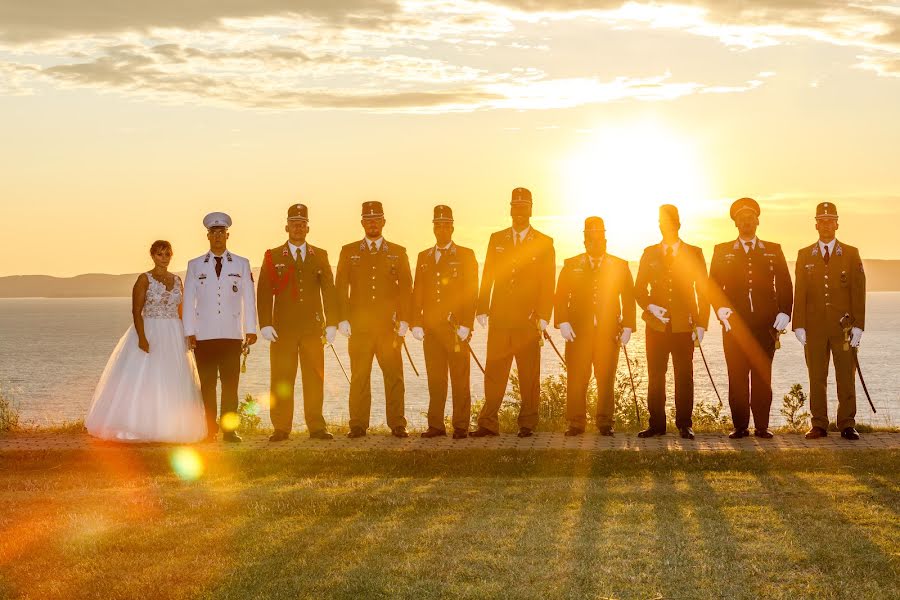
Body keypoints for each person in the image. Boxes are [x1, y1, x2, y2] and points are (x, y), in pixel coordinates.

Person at [86, 241, 207, 442]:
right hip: (151, 330)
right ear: (152, 256)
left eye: (167, 253)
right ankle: (139, 424)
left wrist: (188, 333)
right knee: (148, 377)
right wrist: (142, 337)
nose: (164, 257)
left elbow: (181, 310)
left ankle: (172, 426)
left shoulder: (177, 280)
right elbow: (136, 310)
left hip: (174, 333)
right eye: (160, 254)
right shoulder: (144, 279)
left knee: (173, 378)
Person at [471, 187, 556, 438]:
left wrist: (543, 315)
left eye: (523, 208)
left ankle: (527, 423)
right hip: (500, 317)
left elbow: (547, 282)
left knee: (529, 374)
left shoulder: (544, 242)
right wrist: (482, 307)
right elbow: (488, 275)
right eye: (515, 207)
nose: (519, 213)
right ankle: (488, 423)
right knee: (495, 371)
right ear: (510, 210)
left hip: (528, 320)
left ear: (531, 210)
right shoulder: (497, 239)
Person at [709, 198, 792, 439]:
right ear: (735, 223)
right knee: (736, 376)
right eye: (741, 219)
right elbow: (712, 285)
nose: (746, 222)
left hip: (766, 325)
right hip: (734, 323)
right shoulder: (722, 250)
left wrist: (785, 312)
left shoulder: (772, 249)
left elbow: (785, 283)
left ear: (757, 221)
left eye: (750, 218)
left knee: (762, 376)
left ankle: (763, 426)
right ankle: (740, 426)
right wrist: (720, 308)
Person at [257, 203, 338, 441]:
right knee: (282, 378)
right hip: (283, 329)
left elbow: (329, 291)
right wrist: (265, 323)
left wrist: (332, 322)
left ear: (307, 228)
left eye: (302, 224)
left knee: (314, 378)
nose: (298, 228)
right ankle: (281, 427)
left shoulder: (320, 255)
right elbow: (263, 292)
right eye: (294, 224)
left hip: (313, 328)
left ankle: (316, 426)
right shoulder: (272, 256)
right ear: (287, 227)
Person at [335, 201, 413, 438]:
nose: (372, 223)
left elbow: (406, 289)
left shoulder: (398, 252)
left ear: (383, 222)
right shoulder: (349, 251)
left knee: (394, 376)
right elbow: (340, 288)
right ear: (362, 223)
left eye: (376, 219)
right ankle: (358, 424)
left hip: (388, 327)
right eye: (368, 219)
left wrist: (405, 319)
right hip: (359, 327)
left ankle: (398, 423)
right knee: (359, 376)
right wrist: (342, 319)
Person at [554, 217, 636, 436]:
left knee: (606, 377)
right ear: (584, 241)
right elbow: (560, 296)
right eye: (591, 239)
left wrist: (628, 326)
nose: (596, 243)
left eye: (599, 239)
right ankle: (575, 422)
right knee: (577, 377)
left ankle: (605, 422)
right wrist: (562, 321)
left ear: (606, 240)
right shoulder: (571, 264)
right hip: (577, 332)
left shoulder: (620, 265)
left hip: (608, 333)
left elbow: (629, 298)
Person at [634, 204, 709, 440]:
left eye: (670, 222)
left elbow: (703, 290)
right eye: (662, 222)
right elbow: (638, 289)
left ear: (678, 224)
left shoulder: (694, 253)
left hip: (683, 325)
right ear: (659, 225)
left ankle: (685, 424)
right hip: (656, 325)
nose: (666, 226)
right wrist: (649, 305)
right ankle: (656, 424)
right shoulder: (649, 253)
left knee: (684, 375)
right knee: (655, 375)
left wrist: (701, 324)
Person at [793, 202, 866, 440]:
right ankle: (819, 424)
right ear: (816, 225)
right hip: (814, 328)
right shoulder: (805, 255)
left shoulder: (850, 253)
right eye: (821, 221)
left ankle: (846, 423)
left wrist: (858, 326)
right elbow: (800, 292)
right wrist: (799, 324)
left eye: (830, 220)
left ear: (837, 224)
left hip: (842, 328)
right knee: (817, 376)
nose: (826, 225)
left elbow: (858, 291)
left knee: (846, 376)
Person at [183, 212, 257, 443]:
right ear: (208, 236)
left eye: (221, 232)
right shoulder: (195, 265)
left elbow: (249, 298)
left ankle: (229, 430)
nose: (217, 236)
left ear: (228, 235)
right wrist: (189, 331)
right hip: (204, 335)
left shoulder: (241, 264)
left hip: (231, 334)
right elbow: (188, 300)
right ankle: (209, 429)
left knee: (230, 386)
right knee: (207, 386)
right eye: (213, 232)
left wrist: (251, 329)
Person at [411, 205, 479, 439]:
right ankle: (436, 425)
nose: (441, 229)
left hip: (455, 328)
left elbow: (472, 292)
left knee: (460, 379)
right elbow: (417, 292)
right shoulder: (423, 257)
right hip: (431, 330)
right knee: (436, 380)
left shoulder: (466, 255)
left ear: (452, 227)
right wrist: (416, 322)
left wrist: (467, 324)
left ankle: (461, 425)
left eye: (445, 225)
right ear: (433, 228)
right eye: (437, 225)